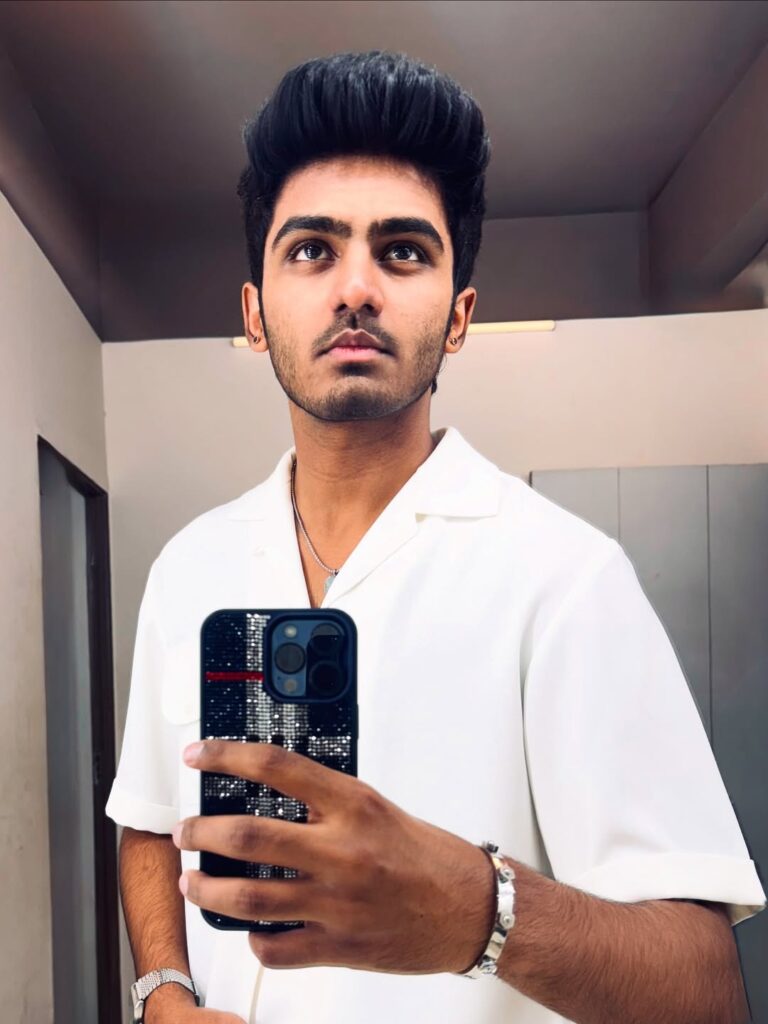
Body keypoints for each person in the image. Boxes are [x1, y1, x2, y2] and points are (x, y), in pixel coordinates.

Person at [106, 50, 765, 1024]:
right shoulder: (189, 568)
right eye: (311, 249)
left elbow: (707, 991)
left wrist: (477, 913)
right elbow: (150, 821)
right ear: (255, 315)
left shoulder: (565, 579)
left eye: (403, 251)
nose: (356, 288)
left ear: (458, 318)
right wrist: (163, 990)